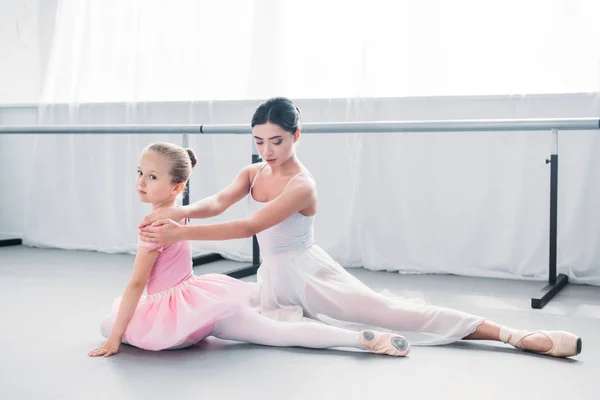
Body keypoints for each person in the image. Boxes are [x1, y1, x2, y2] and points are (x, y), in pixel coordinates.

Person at [138, 97, 582, 358]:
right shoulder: (253, 173)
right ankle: (369, 340)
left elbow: (250, 225)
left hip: (309, 273)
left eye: (276, 140)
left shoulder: (301, 184)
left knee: (392, 312)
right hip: (274, 279)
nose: (267, 150)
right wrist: (179, 212)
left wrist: (182, 232)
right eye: (259, 141)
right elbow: (217, 203)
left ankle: (514, 335)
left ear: (297, 136)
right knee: (256, 327)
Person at [89, 142, 411, 358]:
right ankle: (356, 338)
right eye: (140, 173)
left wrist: (114, 338)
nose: (142, 181)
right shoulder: (180, 214)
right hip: (203, 298)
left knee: (108, 321)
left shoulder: (154, 226)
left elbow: (135, 285)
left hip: (180, 315)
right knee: (273, 332)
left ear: (177, 187)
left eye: (152, 176)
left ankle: (358, 339)